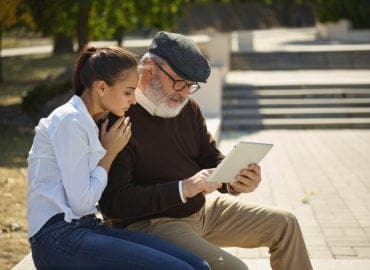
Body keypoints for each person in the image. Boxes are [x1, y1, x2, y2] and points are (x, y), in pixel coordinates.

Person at [99, 32, 314, 270]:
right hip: (151, 223)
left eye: (191, 85)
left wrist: (234, 179)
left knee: (285, 223)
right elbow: (113, 204)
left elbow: (209, 158)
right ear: (149, 69)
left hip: (200, 210)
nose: (183, 92)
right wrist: (182, 189)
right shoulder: (119, 117)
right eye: (179, 81)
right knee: (235, 269)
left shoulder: (186, 107)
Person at [26, 45, 211, 270]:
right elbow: (82, 202)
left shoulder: (93, 121)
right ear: (102, 87)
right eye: (128, 92)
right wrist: (109, 152)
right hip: (57, 238)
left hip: (87, 228)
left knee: (198, 266)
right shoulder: (70, 122)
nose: (134, 100)